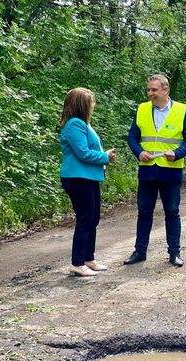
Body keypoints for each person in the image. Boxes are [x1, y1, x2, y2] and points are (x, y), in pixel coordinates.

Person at [123, 74, 186, 267]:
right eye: (148, 90)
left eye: (154, 90)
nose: (150, 93)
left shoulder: (183, 110)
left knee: (172, 212)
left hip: (171, 170)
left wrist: (178, 153)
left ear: (166, 90)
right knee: (144, 212)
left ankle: (174, 253)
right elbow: (132, 137)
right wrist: (139, 153)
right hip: (147, 170)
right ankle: (140, 252)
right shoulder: (141, 109)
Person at [59, 87, 117, 277]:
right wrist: (104, 157)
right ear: (82, 105)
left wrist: (104, 156)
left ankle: (88, 259)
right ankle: (77, 263)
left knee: (93, 218)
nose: (93, 106)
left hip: (89, 177)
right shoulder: (74, 124)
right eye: (90, 102)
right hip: (77, 178)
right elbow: (82, 152)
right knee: (85, 219)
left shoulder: (83, 123)